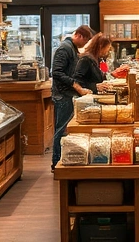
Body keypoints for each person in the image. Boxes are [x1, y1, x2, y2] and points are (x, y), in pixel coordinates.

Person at [50, 25, 94, 170]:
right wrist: (75, 85)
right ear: (79, 36)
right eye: (86, 40)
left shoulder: (72, 48)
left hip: (67, 95)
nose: (86, 44)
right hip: (63, 95)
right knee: (61, 130)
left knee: (64, 129)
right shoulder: (65, 48)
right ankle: (56, 163)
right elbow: (56, 72)